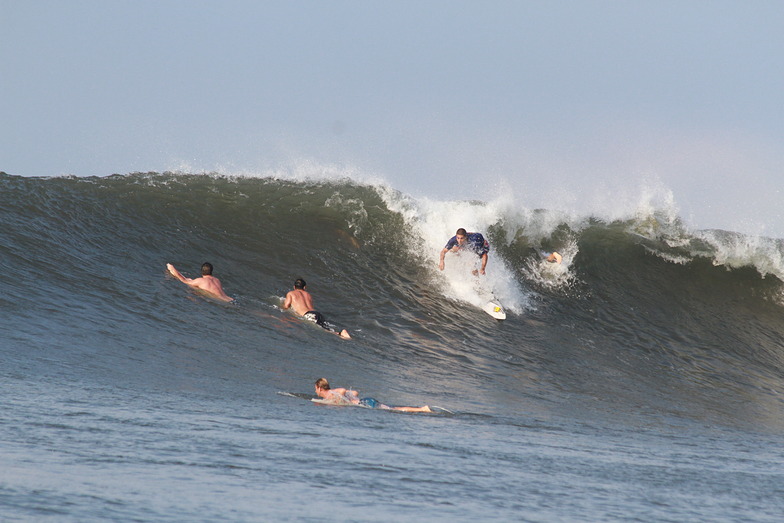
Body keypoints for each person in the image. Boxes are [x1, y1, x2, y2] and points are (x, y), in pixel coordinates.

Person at [283, 279, 351, 339]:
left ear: (294, 287)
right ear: (304, 287)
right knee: (326, 327)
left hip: (308, 315)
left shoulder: (291, 293)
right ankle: (341, 333)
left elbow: (286, 306)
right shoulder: (308, 294)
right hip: (316, 313)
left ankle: (340, 333)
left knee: (323, 329)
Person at [314, 378, 432, 413]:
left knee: (395, 410)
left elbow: (342, 390)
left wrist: (337, 399)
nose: (315, 392)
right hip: (366, 401)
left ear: (319, 388)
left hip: (366, 403)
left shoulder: (331, 393)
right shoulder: (330, 396)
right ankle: (422, 409)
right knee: (394, 409)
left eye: (315, 389)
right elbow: (355, 393)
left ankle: (422, 409)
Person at [166, 262, 234, 302]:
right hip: (231, 300)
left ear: (202, 271)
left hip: (223, 302)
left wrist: (172, 268)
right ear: (211, 271)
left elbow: (184, 280)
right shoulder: (217, 280)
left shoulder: (201, 280)